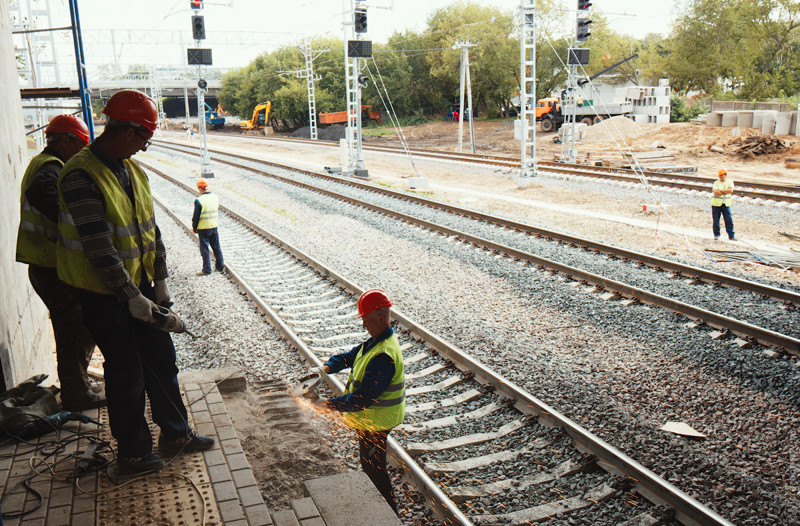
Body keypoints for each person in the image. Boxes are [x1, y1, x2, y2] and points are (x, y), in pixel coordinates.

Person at [56, 90, 214, 475]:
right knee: (126, 370)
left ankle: (175, 433)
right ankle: (133, 453)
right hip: (100, 293)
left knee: (161, 359)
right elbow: (98, 247)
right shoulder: (79, 174)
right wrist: (130, 296)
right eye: (144, 138)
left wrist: (158, 280)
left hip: (140, 287)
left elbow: (151, 230)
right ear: (127, 131)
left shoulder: (132, 170)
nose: (145, 147)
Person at [15, 115, 106, 411]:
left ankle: (78, 385)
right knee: (73, 329)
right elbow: (57, 207)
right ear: (64, 140)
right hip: (49, 267)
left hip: (51, 266)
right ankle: (77, 394)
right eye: (80, 144)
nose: (82, 151)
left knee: (79, 325)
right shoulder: (48, 171)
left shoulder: (49, 165)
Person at [312, 289, 405, 514]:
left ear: (381, 318)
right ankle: (381, 508)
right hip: (371, 420)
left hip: (377, 422)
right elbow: (349, 357)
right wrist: (324, 369)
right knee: (370, 466)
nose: (363, 325)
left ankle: (389, 514)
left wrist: (327, 405)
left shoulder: (384, 356)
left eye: (366, 320)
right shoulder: (374, 342)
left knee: (375, 470)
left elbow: (362, 399)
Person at [192, 178, 224, 275]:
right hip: (214, 226)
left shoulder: (199, 200)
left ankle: (207, 270)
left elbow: (196, 217)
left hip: (203, 228)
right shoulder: (215, 197)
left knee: (204, 249)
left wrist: (194, 227)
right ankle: (220, 266)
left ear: (199, 188)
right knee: (216, 247)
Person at [712, 168, 736, 241]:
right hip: (716, 204)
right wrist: (726, 191)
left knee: (729, 220)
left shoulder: (730, 182)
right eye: (720, 175)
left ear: (725, 175)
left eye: (722, 175)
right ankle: (717, 235)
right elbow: (715, 192)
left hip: (726, 204)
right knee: (716, 220)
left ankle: (731, 235)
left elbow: (731, 190)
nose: (720, 177)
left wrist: (721, 190)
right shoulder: (716, 183)